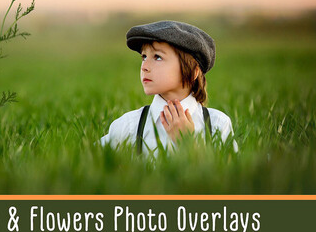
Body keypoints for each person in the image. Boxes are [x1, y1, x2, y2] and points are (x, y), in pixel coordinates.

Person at [100, 20, 238, 154]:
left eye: (157, 57)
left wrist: (189, 145)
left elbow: (228, 176)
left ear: (193, 71)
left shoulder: (217, 124)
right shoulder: (128, 126)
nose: (144, 67)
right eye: (144, 57)